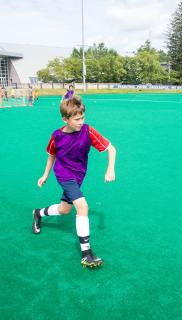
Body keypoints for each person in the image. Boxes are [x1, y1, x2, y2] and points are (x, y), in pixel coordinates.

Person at [32, 95, 117, 269]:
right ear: (65, 119)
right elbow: (51, 156)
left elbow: (111, 149)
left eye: (82, 118)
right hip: (64, 175)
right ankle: (87, 254)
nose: (80, 122)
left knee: (64, 210)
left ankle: (38, 214)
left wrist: (110, 169)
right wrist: (45, 175)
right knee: (83, 206)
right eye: (76, 119)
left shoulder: (88, 131)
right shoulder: (56, 136)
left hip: (79, 176)